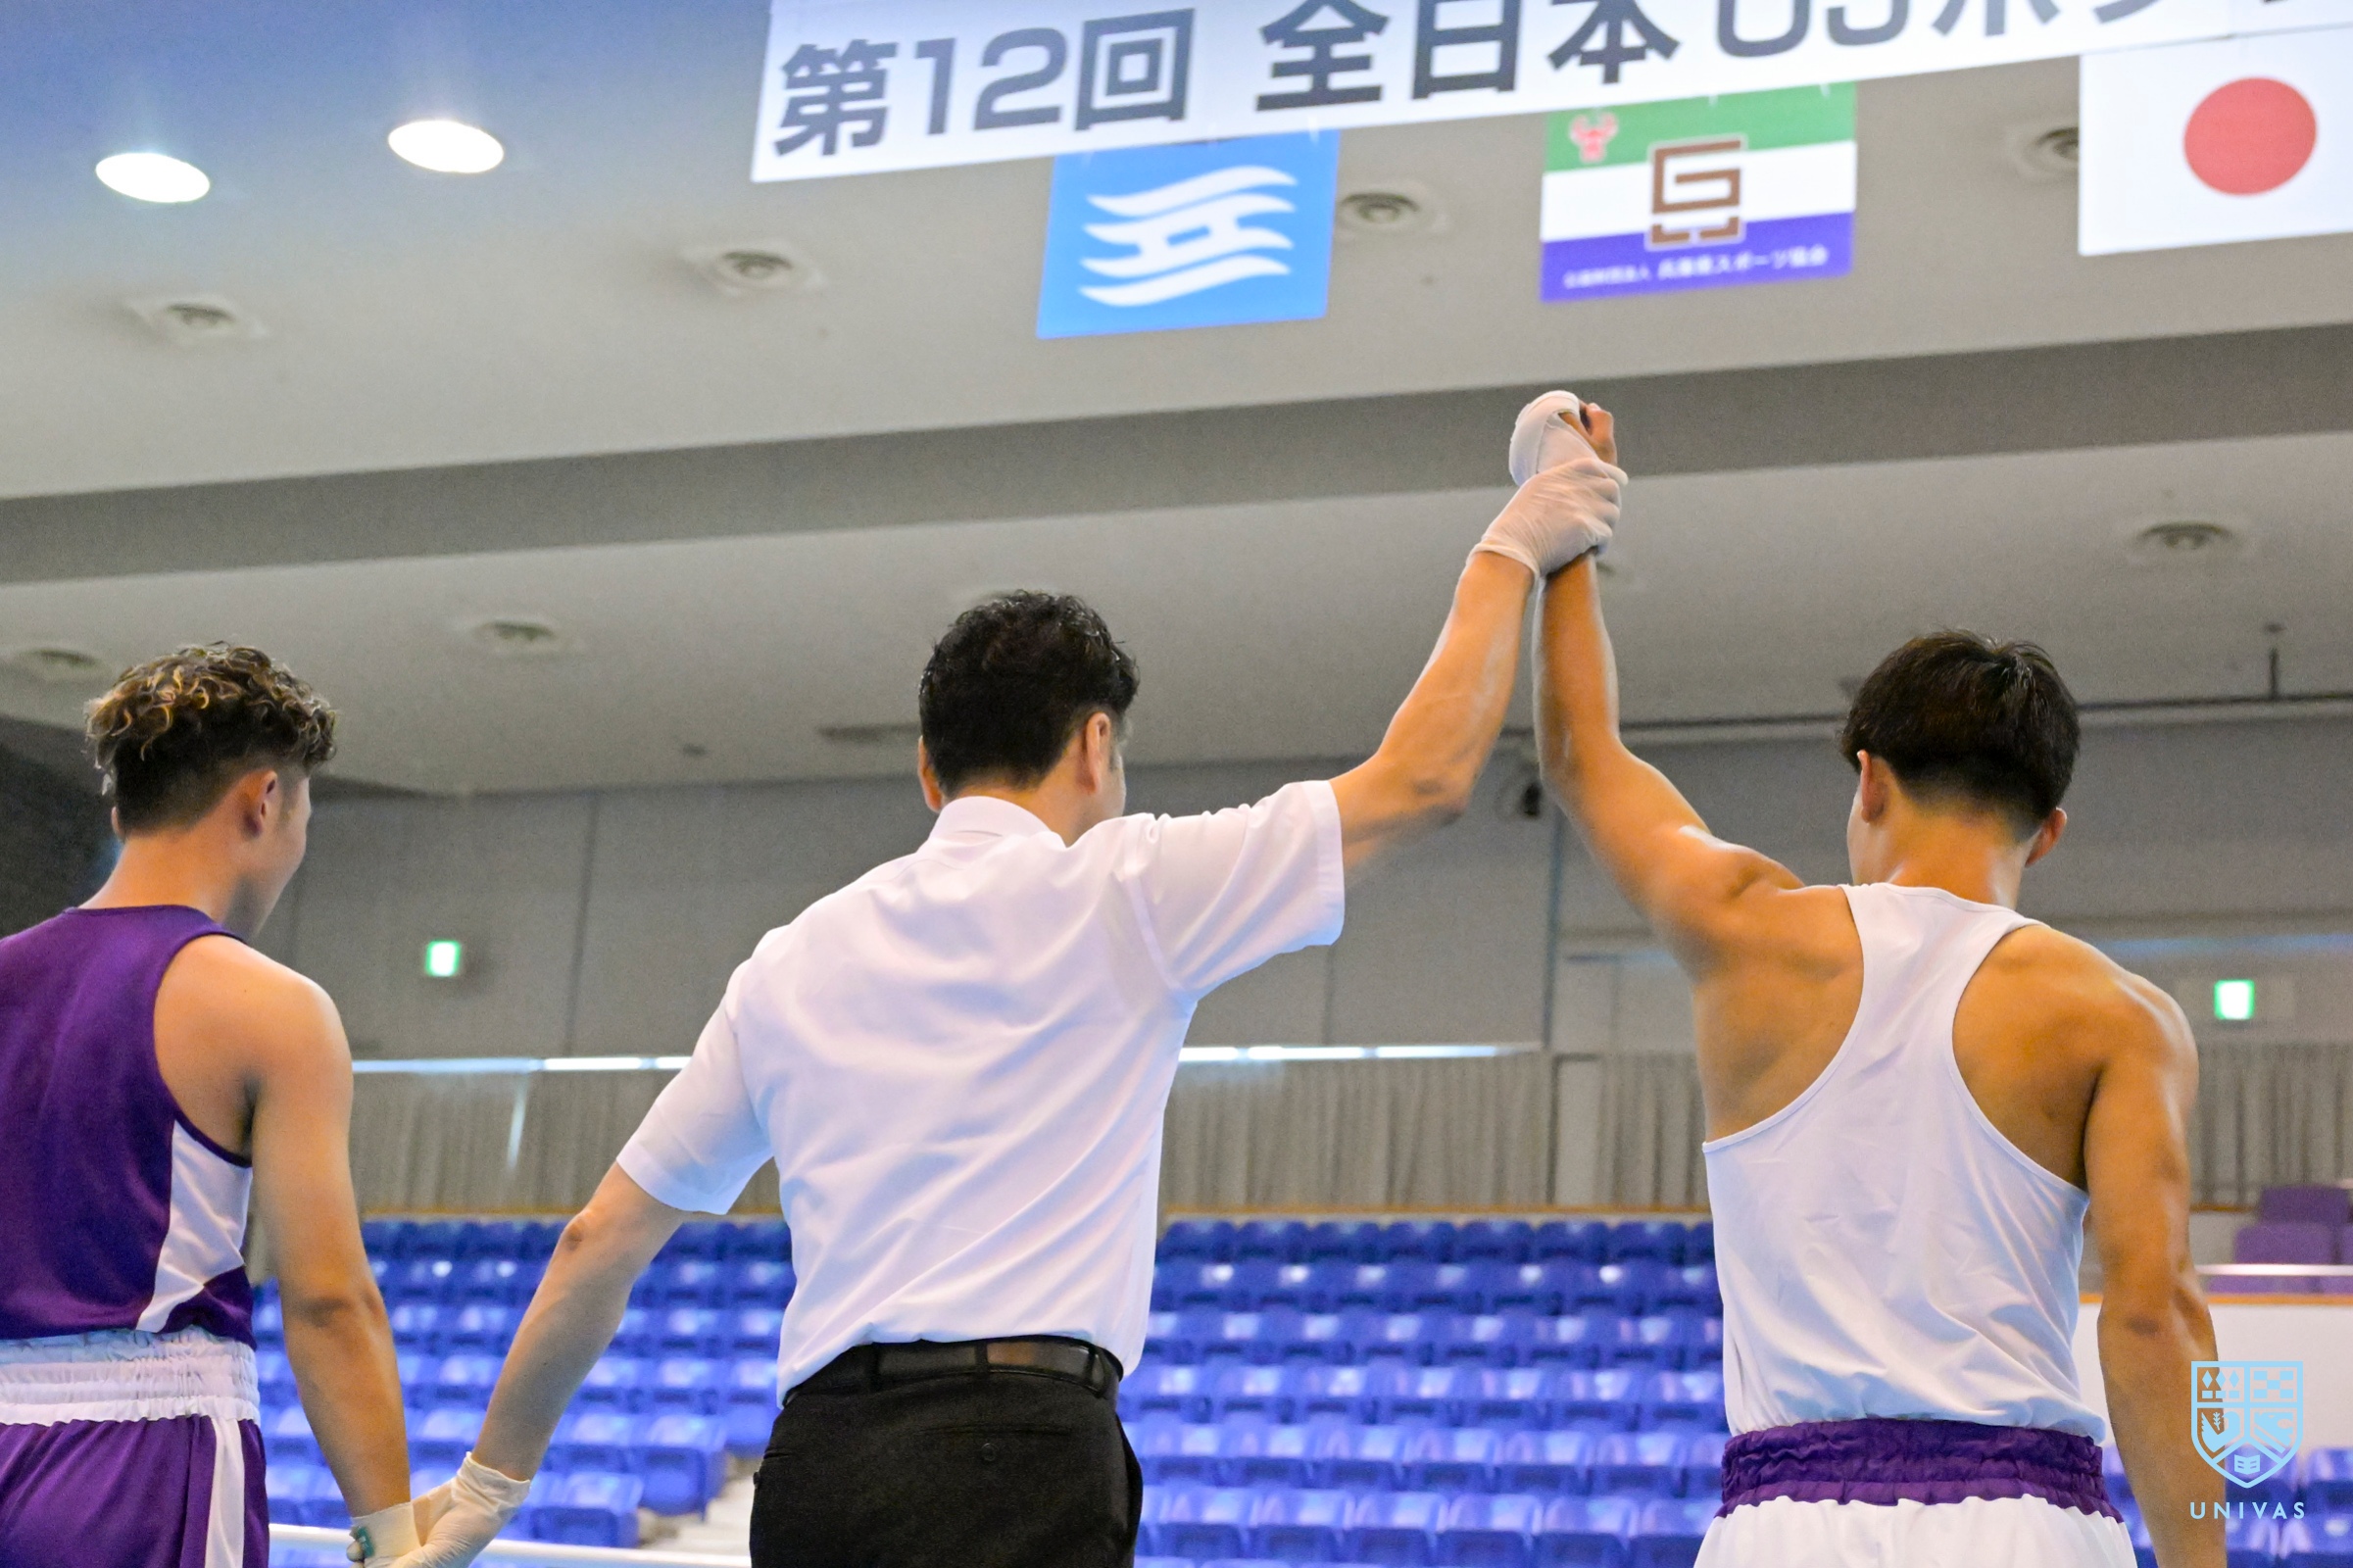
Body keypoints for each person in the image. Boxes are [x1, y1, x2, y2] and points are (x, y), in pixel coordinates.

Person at [388, 403, 1631, 1567]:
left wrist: (489, 1486)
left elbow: (598, 1239)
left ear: (928, 772)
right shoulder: (1128, 889)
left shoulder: (791, 956)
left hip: (818, 1469)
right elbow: (1424, 779)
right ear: (1096, 744)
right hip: (1020, 1454)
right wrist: (1515, 540)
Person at [1533, 453, 2225, 1567]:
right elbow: (2154, 1318)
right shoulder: (2118, 1015)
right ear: (2047, 831)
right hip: (2025, 1526)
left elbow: (1579, 755)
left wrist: (1566, 521)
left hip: (1784, 1530)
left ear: (1868, 780)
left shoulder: (1743, 930)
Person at [0, 646, 418, 1568]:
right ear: (266, 801)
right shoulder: (268, 1006)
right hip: (142, 1462)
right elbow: (327, 1300)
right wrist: (394, 1539)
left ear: (122, 808)